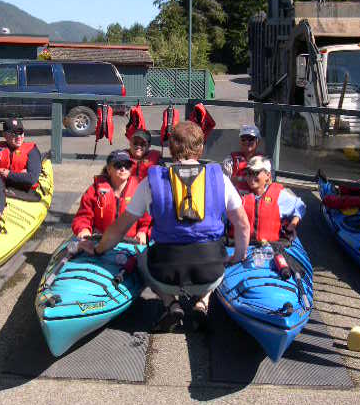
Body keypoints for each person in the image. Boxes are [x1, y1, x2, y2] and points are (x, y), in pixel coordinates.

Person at [79, 121, 250, 332]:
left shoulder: (151, 181)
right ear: (201, 148)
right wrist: (238, 257)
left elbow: (119, 229)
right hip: (210, 273)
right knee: (223, 255)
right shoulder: (221, 180)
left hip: (164, 273)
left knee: (142, 257)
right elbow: (243, 225)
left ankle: (171, 303)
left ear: (170, 147)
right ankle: (202, 302)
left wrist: (97, 249)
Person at [72, 150, 151, 243]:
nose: (123, 169)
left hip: (130, 243)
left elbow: (147, 218)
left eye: (127, 165)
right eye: (118, 165)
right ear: (109, 170)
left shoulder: (140, 189)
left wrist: (142, 231)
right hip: (100, 241)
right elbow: (83, 217)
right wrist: (83, 229)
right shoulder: (94, 190)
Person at [237, 156, 306, 243]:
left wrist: (292, 226)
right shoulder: (239, 194)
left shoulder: (279, 196)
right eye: (248, 173)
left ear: (268, 175)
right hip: (242, 244)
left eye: (255, 173)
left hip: (269, 246)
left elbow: (300, 205)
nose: (251, 177)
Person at [0, 118, 41, 196]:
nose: (19, 137)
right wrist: (20, 176)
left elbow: (31, 179)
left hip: (25, 192)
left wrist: (8, 174)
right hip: (1, 190)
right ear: (4, 135)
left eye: (21, 133)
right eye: (14, 133)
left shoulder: (32, 150)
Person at [222, 124, 262, 195]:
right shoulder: (230, 160)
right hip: (236, 199)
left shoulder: (264, 162)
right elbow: (224, 184)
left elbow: (268, 184)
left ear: (258, 141)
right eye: (243, 139)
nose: (246, 142)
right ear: (240, 142)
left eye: (250, 139)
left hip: (257, 199)